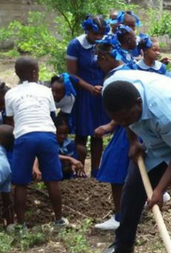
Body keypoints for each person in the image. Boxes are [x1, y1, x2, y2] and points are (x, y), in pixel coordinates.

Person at [100, 70, 171, 253]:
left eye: (127, 118)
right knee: (132, 190)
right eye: (118, 120)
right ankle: (123, 245)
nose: (123, 123)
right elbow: (124, 120)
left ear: (139, 103)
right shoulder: (113, 90)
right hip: (158, 136)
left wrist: (159, 191)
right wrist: (133, 141)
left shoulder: (167, 113)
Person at [4, 57, 68, 231]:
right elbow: (51, 115)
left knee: (21, 183)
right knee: (52, 180)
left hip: (24, 137)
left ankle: (21, 226)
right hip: (47, 135)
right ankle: (59, 221)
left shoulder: (10, 93)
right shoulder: (45, 90)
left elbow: (10, 119)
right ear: (34, 73)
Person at [93, 34, 140, 231]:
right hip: (134, 124)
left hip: (129, 127)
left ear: (104, 57)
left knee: (116, 167)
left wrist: (111, 126)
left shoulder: (116, 76)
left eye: (98, 61)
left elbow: (125, 109)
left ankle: (121, 215)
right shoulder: (130, 67)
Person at [66, 15, 109, 177]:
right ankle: (79, 168)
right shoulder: (75, 45)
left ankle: (96, 170)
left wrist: (103, 84)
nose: (98, 38)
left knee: (98, 134)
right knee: (82, 133)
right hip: (83, 93)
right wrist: (90, 87)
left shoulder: (105, 44)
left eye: (101, 34)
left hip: (100, 92)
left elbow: (109, 67)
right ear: (87, 30)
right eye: (95, 34)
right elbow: (72, 74)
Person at [54, 113, 83, 180]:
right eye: (59, 133)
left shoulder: (70, 144)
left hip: (67, 171)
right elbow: (51, 155)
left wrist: (73, 165)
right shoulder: (50, 144)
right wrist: (68, 159)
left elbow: (74, 158)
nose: (62, 136)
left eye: (65, 133)